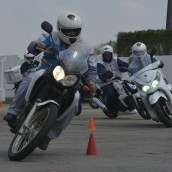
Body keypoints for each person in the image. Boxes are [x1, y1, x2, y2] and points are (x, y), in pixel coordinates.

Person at [3, 11, 97, 150]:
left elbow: (91, 67)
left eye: (74, 31)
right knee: (30, 78)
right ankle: (14, 111)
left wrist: (92, 81)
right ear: (59, 28)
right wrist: (37, 45)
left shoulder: (85, 46)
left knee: (76, 101)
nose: (71, 33)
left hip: (69, 78)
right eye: (67, 30)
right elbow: (33, 47)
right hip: (48, 70)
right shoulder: (50, 36)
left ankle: (49, 135)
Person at [96, 45, 129, 113]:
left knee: (128, 88)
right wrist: (106, 79)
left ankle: (127, 104)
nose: (107, 56)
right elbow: (100, 72)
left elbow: (124, 64)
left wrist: (130, 67)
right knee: (111, 93)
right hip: (106, 82)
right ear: (103, 55)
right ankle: (111, 109)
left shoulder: (116, 59)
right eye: (105, 54)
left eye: (109, 54)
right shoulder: (100, 63)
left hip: (118, 80)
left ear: (111, 54)